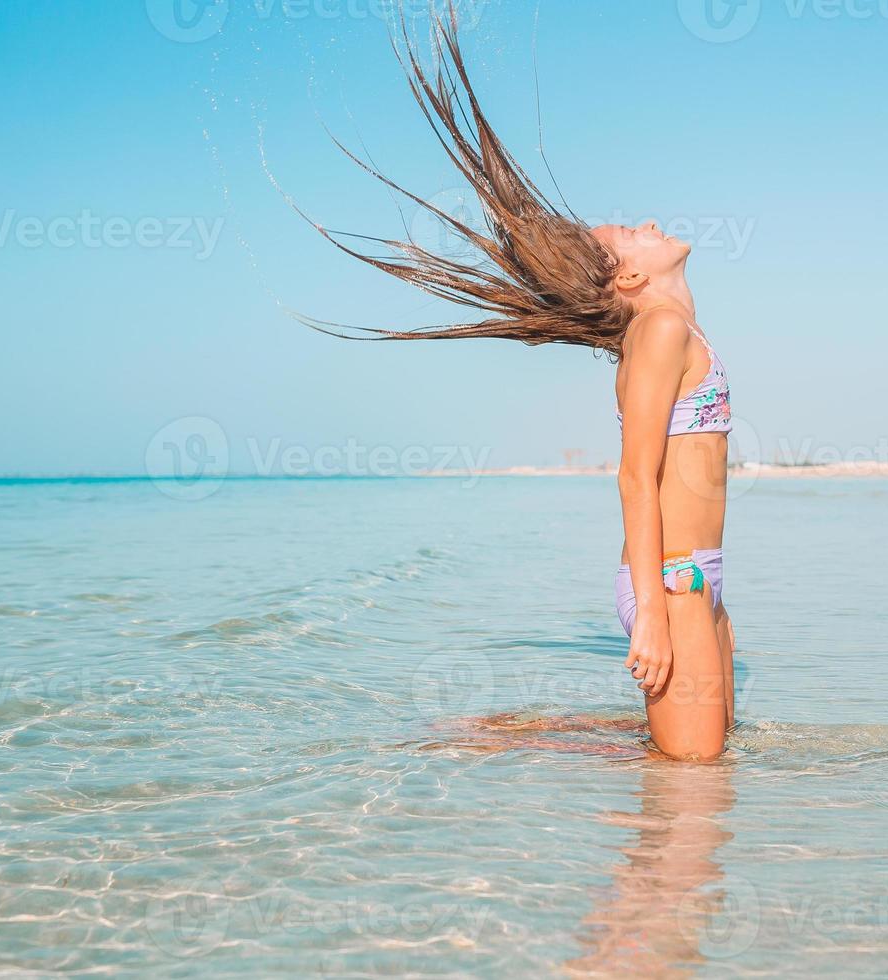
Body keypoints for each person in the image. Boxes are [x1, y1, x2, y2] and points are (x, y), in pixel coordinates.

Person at [305, 5, 736, 761]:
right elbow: (635, 479)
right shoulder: (658, 332)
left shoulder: (674, 332)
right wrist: (653, 619)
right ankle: (505, 745)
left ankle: (514, 733)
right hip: (671, 582)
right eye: (630, 232)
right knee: (689, 791)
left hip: (699, 578)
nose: (645, 221)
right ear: (632, 276)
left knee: (702, 763)